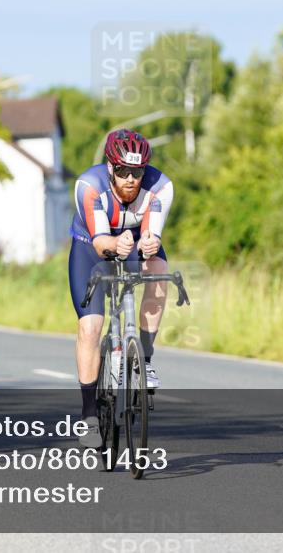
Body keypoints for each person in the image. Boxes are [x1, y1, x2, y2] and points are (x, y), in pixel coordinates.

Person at [68, 129, 174, 448]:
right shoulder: (89, 186)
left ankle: (146, 358)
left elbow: (151, 238)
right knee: (91, 327)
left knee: (159, 269)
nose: (131, 179)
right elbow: (102, 243)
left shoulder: (161, 187)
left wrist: (149, 243)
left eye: (138, 171)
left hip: (134, 245)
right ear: (111, 167)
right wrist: (117, 242)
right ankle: (88, 414)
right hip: (92, 247)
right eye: (124, 171)